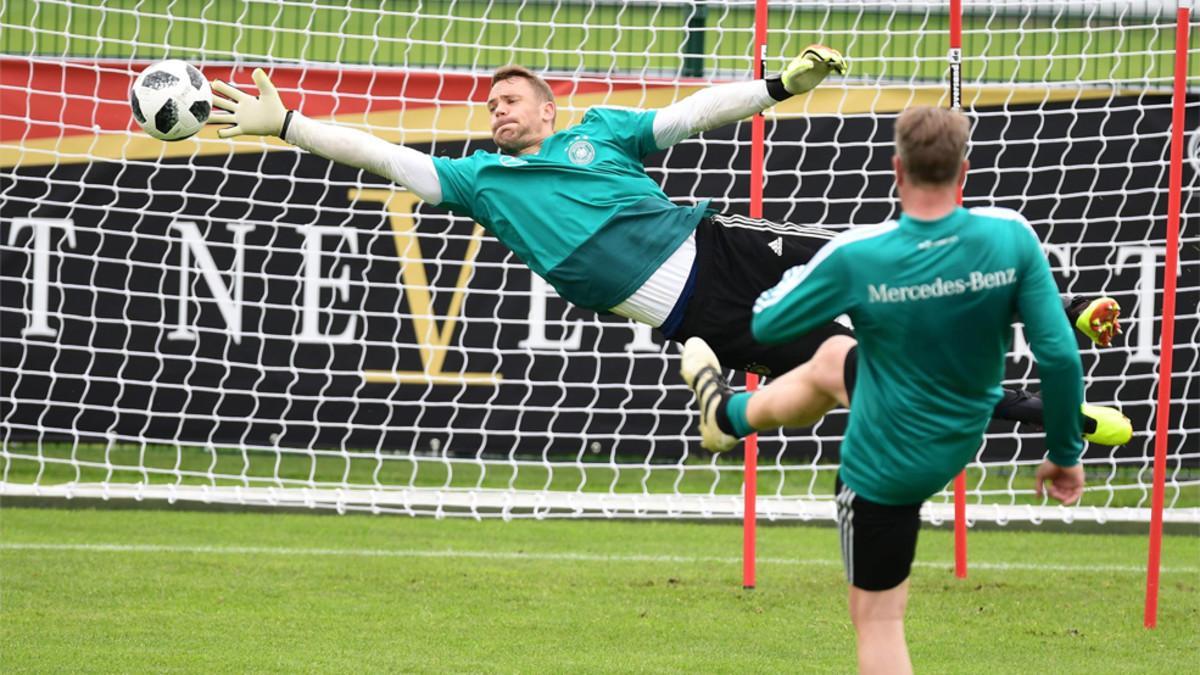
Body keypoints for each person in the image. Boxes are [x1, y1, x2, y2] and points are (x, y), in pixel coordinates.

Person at [205, 52, 1128, 444]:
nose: (497, 109)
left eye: (513, 99)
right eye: (491, 105)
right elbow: (390, 155)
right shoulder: (483, 183)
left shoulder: (600, 134)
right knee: (866, 374)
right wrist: (289, 122)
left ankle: (1049, 346)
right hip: (701, 315)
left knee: (886, 267)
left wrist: (771, 87)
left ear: (551, 110)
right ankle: (1047, 404)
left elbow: (686, 116)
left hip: (722, 253)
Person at [681, 106, 1088, 674]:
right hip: (954, 437)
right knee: (833, 360)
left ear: (897, 170)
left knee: (878, 619)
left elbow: (768, 323)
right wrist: (1065, 454)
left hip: (884, 469)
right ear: (963, 170)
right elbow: (1061, 357)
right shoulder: (1011, 236)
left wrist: (813, 270)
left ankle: (730, 415)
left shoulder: (861, 254)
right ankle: (729, 417)